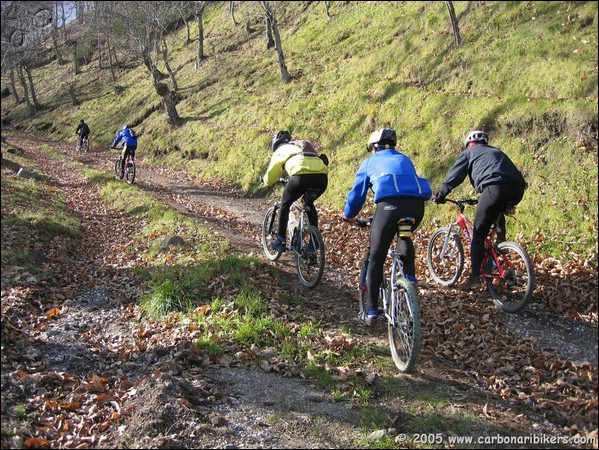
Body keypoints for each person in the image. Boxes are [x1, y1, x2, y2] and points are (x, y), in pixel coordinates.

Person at [343, 128, 431, 326]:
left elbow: (357, 194)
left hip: (389, 208)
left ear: (374, 147)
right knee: (404, 235)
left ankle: (371, 312)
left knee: (376, 257)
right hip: (416, 208)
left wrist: (349, 215)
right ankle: (409, 280)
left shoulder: (369, 162)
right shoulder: (405, 159)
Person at [433, 130, 527, 290]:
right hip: (517, 189)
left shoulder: (469, 152)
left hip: (494, 187)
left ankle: (474, 277)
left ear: (469, 144)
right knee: (495, 207)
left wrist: (441, 194)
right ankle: (500, 243)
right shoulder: (496, 151)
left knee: (478, 234)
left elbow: (455, 176)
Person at [261, 131, 329, 252]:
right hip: (322, 177)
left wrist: (265, 181)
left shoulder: (280, 151)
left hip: (301, 176)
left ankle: (281, 241)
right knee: (308, 204)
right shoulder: (300, 145)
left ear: (276, 145)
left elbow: (270, 177)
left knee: (285, 205)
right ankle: (313, 243)